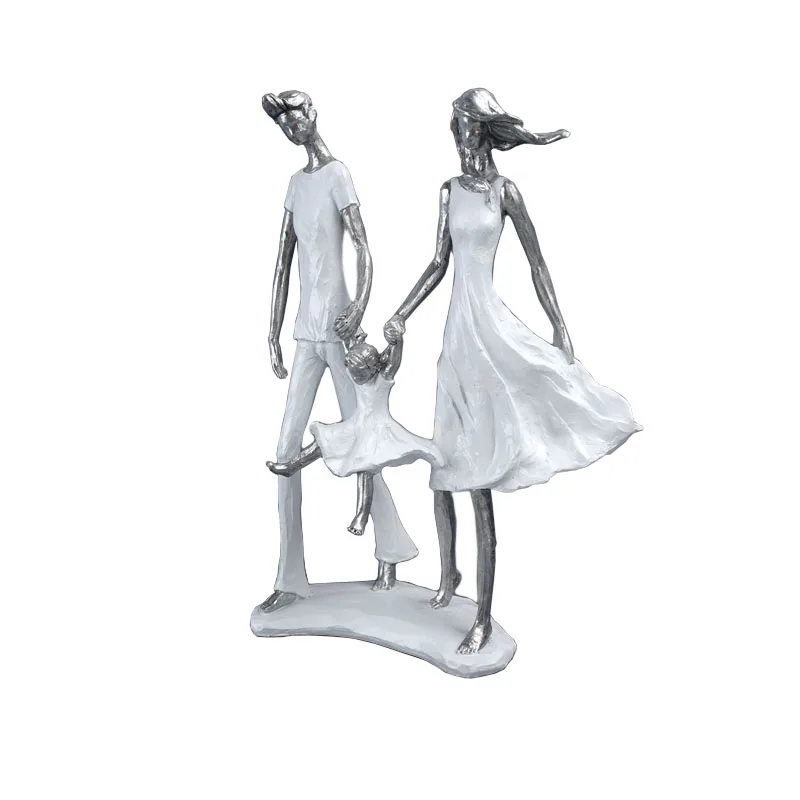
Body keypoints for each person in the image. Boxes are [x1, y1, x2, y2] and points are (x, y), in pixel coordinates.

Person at [383, 88, 641, 654]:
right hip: (455, 337)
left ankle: (482, 615)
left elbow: (536, 263)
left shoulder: (505, 192)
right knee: (443, 464)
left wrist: (560, 326)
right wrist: (400, 312)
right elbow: (437, 262)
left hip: (488, 335)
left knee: (478, 482)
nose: (458, 135)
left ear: (480, 129)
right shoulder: (448, 191)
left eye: (464, 125)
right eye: (455, 125)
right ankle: (448, 575)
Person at [260, 90, 417, 613]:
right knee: (285, 453)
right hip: (306, 335)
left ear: (312, 114)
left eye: (295, 119)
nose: (291, 130)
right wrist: (272, 329)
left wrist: (361, 304)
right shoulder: (295, 184)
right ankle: (290, 577)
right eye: (283, 126)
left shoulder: (337, 174)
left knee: (365, 442)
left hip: (342, 333)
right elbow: (282, 261)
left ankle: (390, 550)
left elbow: (363, 245)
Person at [267, 331, 444, 535]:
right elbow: (350, 347)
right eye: (351, 371)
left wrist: (398, 341)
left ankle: (361, 515)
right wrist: (352, 337)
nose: (353, 376)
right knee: (323, 442)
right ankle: (292, 466)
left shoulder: (381, 379)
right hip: (357, 426)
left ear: (370, 369)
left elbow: (393, 362)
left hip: (378, 430)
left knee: (365, 470)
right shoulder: (357, 371)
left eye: (357, 372)